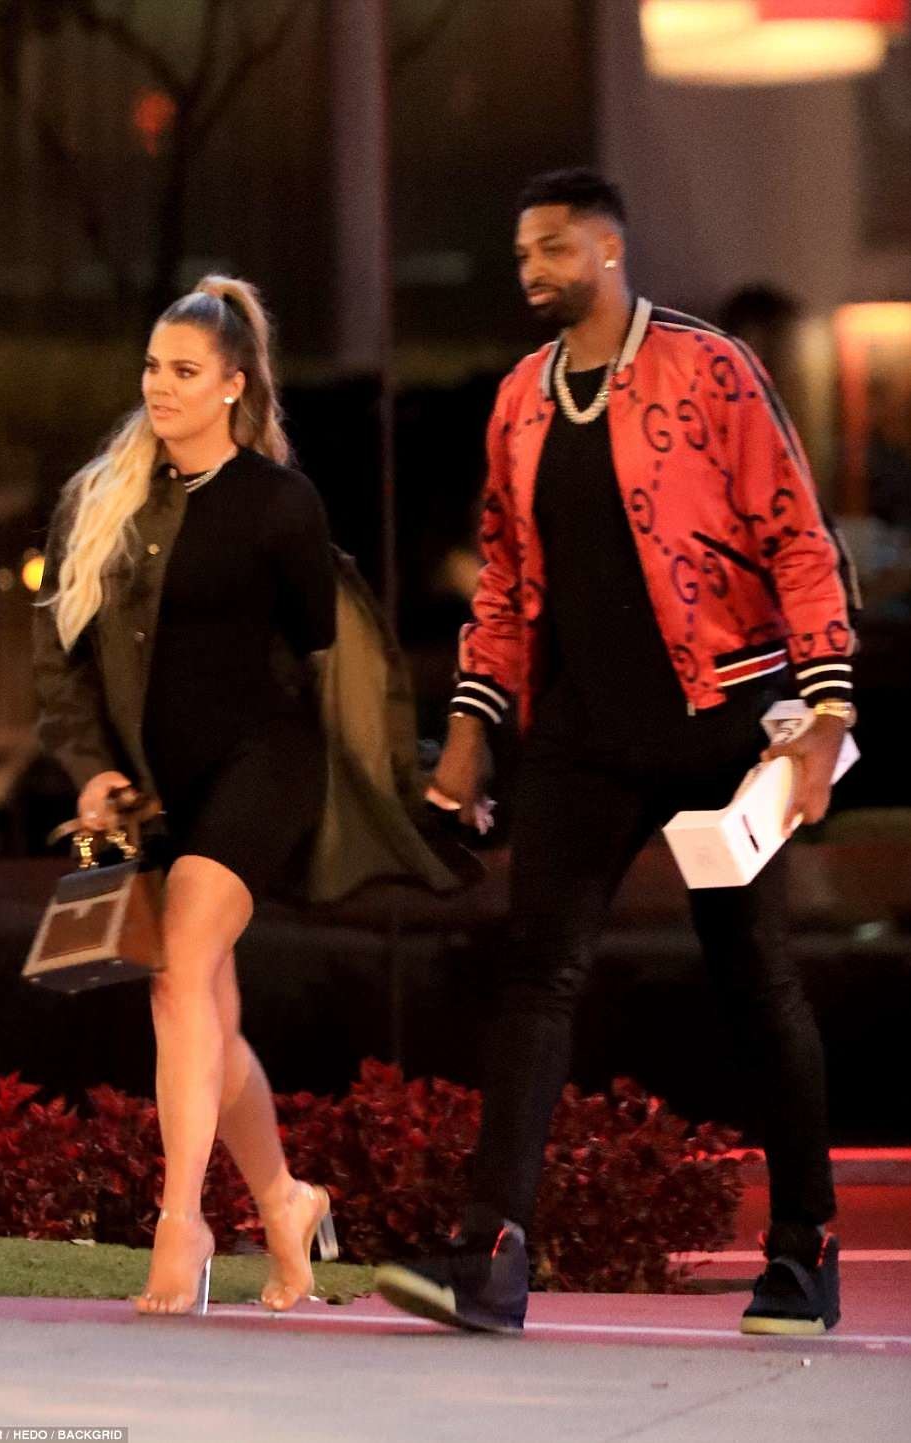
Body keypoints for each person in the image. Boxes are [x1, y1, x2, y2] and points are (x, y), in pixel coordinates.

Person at [375, 169, 857, 1337]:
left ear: (604, 248)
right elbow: (502, 580)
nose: (529, 270)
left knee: (755, 983)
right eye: (520, 253)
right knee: (532, 979)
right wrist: (468, 735)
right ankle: (490, 1259)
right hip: (579, 736)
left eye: (548, 248)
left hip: (720, 719)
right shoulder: (518, 400)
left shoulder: (708, 367)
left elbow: (796, 536)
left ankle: (802, 1250)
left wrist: (822, 717)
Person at [34, 276, 340, 1316]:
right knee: (207, 1009)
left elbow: (325, 650)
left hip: (263, 766)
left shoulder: (281, 503)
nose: (159, 387)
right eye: (152, 367)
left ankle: (182, 1223)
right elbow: (58, 661)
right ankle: (285, 1201)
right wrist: (89, 768)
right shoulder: (101, 499)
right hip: (155, 790)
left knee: (177, 978)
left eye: (184, 371)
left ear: (232, 385)